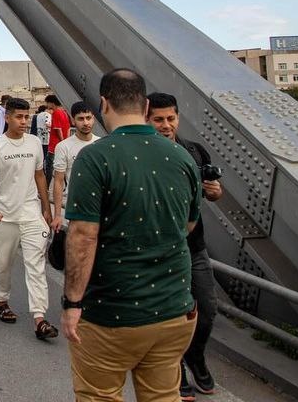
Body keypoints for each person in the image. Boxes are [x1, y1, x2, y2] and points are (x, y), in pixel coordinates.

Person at [62, 69, 201, 402]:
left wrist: (72, 303)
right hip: (174, 311)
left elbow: (83, 237)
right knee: (164, 396)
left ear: (103, 104)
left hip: (112, 312)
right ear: (146, 105)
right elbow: (188, 226)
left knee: (99, 396)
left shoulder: (95, 157)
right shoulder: (182, 157)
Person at [147, 92, 224, 400]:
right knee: (167, 315)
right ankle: (175, 368)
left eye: (171, 118)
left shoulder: (194, 151)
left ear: (178, 118)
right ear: (146, 120)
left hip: (194, 245)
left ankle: (195, 356)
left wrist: (214, 191)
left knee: (207, 309)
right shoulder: (140, 155)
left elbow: (213, 194)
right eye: (158, 120)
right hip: (157, 250)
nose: (166, 125)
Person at [0, 97, 57, 340]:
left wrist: (46, 208)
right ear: (7, 118)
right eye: (19, 117)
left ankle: (39, 318)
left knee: (36, 266)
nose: (24, 121)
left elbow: (40, 176)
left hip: (31, 214)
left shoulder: (34, 143)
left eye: (27, 117)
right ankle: (2, 302)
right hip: (3, 216)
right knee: (2, 265)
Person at [50, 101, 100, 232]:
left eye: (88, 118)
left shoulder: (101, 144)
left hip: (101, 208)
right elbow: (58, 181)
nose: (86, 123)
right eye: (81, 119)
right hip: (75, 209)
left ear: (93, 119)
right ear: (73, 120)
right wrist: (57, 215)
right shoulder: (63, 147)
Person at [45, 94, 70, 185]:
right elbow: (67, 128)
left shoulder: (56, 113)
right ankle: (66, 185)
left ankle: (46, 187)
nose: (47, 105)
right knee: (62, 166)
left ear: (52, 103)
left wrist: (62, 142)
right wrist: (66, 141)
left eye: (47, 103)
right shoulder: (64, 112)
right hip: (62, 143)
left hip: (54, 145)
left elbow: (58, 129)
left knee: (49, 167)